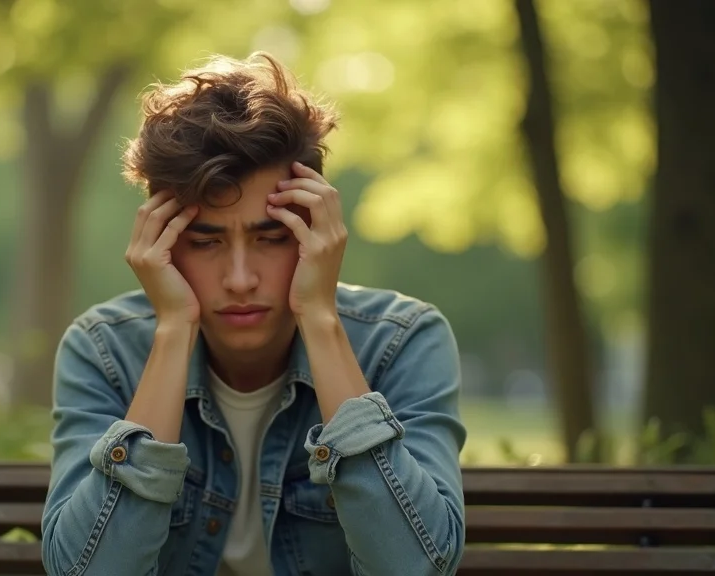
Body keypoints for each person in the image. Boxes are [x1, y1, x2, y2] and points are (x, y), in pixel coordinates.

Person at [40, 51, 466, 576]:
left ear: (316, 230)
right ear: (162, 243)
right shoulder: (104, 351)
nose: (240, 278)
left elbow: (417, 567)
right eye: (205, 241)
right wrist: (173, 330)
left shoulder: (402, 341)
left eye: (271, 238)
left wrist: (320, 319)